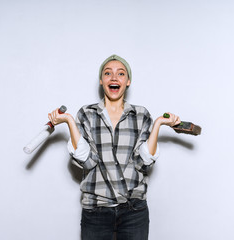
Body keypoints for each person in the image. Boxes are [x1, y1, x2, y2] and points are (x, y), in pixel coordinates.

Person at [48, 55, 180, 240]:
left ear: (128, 81)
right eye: (107, 73)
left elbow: (143, 164)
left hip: (134, 210)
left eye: (121, 73)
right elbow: (87, 162)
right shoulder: (87, 113)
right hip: (96, 209)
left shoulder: (141, 115)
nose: (114, 78)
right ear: (101, 81)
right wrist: (69, 120)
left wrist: (158, 124)